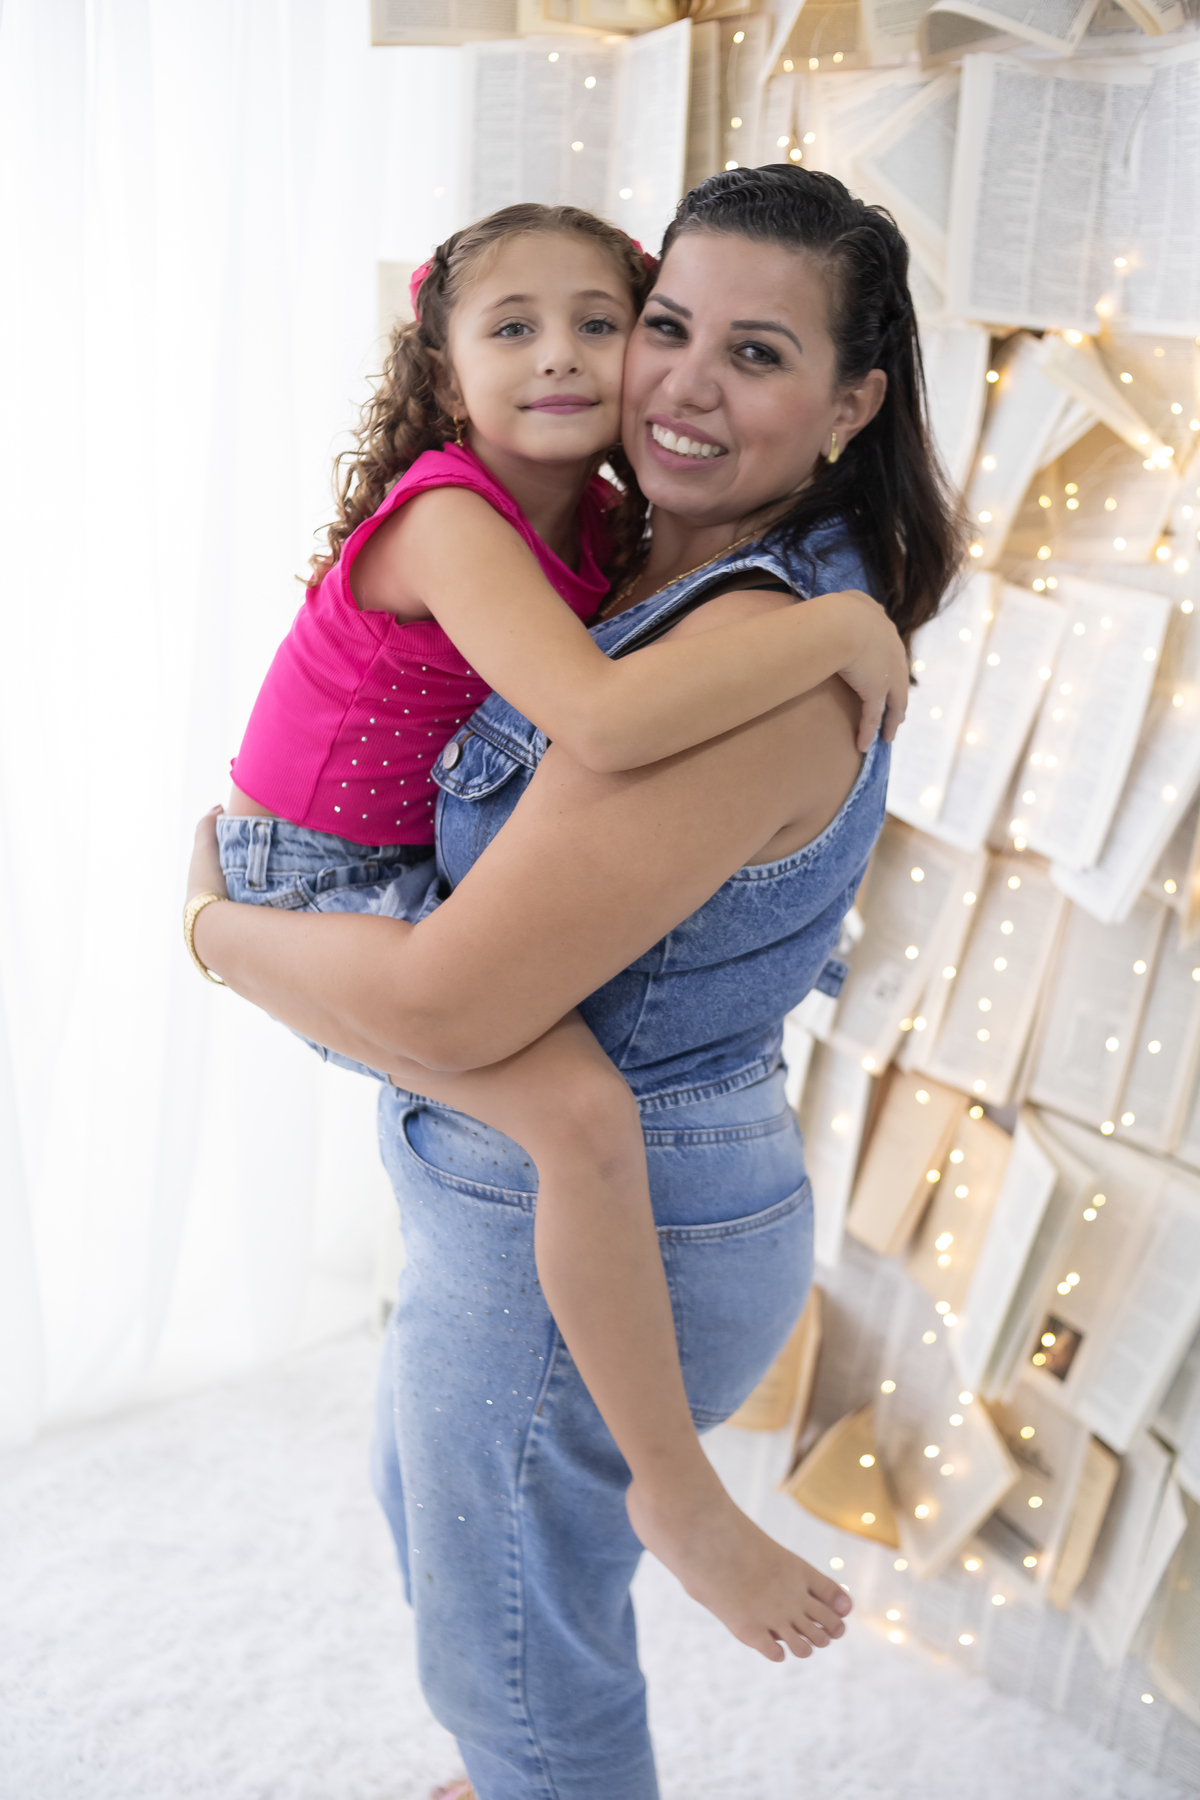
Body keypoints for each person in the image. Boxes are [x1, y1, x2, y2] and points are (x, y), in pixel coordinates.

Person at [185, 166, 963, 1799]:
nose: (676, 379)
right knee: (464, 1565)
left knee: (527, 1670)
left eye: (757, 354)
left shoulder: (748, 657)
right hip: (564, 1207)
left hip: (606, 1231)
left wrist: (220, 935)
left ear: (852, 401)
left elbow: (459, 1009)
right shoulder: (639, 566)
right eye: (668, 324)